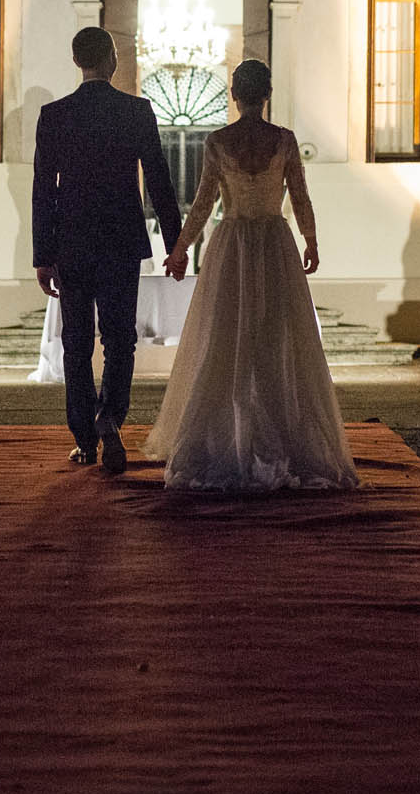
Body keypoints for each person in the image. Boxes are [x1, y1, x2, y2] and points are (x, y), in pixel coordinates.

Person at [147, 60, 358, 492]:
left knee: (225, 338)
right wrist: (311, 241)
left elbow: (204, 203)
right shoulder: (284, 141)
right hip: (275, 244)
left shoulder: (218, 141)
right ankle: (284, 434)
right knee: (278, 337)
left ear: (233, 94)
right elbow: (299, 195)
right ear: (267, 95)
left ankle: (228, 437)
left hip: (234, 245)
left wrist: (181, 247)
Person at [32, 26, 182, 474]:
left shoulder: (55, 114)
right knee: (121, 339)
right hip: (120, 240)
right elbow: (158, 180)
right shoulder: (136, 111)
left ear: (77, 61)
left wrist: (43, 254)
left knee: (75, 342)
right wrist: (175, 244)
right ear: (113, 60)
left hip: (72, 242)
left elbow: (44, 189)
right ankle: (109, 417)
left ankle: (84, 439)